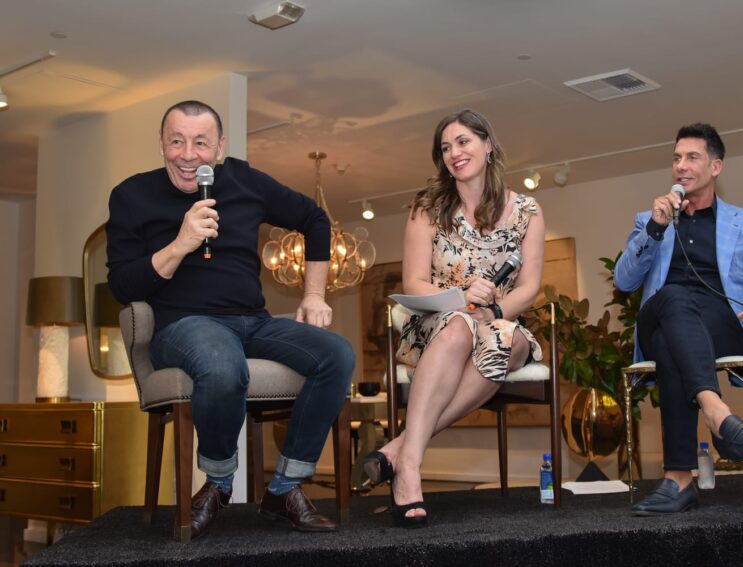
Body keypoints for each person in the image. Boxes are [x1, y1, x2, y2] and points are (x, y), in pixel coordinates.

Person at [106, 100, 354, 538]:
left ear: (219, 148)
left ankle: (285, 486)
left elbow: (316, 220)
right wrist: (181, 242)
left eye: (200, 143)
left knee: (336, 353)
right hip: (182, 326)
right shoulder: (131, 195)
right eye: (176, 142)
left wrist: (313, 293)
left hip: (252, 321)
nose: (188, 155)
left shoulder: (244, 180)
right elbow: (124, 287)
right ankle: (219, 482)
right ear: (162, 145)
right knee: (222, 364)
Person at [363, 108, 545, 528]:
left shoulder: (527, 211)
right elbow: (414, 282)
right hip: (437, 321)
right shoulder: (426, 208)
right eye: (445, 147)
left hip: (497, 318)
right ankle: (410, 469)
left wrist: (495, 311)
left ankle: (401, 452)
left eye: (463, 142)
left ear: (488, 145)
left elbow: (529, 287)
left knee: (510, 341)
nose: (454, 153)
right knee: (461, 326)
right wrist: (462, 297)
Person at [613, 123, 743, 515]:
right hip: (660, 312)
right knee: (673, 297)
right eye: (676, 158)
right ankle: (718, 414)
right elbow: (624, 280)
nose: (681, 165)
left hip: (723, 325)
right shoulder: (651, 218)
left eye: (692, 157)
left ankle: (679, 481)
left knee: (669, 343)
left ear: (716, 167)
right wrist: (655, 229)